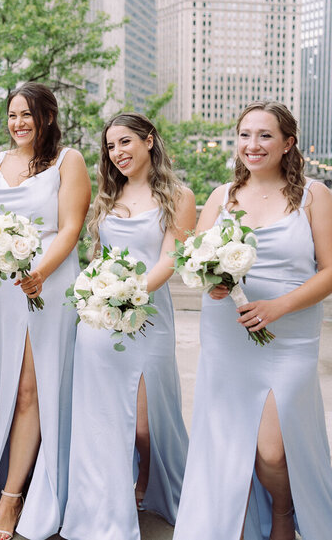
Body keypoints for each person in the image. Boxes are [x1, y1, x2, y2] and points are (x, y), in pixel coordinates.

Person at [173, 101, 332, 540]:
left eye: (265, 135)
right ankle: (234, 521)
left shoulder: (314, 195)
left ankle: (284, 512)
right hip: (229, 334)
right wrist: (214, 284)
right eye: (245, 134)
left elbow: (330, 271)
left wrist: (278, 306)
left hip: (291, 336)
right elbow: (193, 261)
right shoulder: (222, 196)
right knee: (229, 442)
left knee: (273, 451)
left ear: (287, 144)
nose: (253, 144)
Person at [60, 113, 193, 539]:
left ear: (149, 141)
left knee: (144, 422)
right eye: (111, 147)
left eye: (125, 142)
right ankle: (109, 498)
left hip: (148, 317)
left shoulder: (179, 196)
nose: (118, 153)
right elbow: (98, 257)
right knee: (103, 416)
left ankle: (153, 480)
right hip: (101, 321)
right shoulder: (106, 197)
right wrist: (99, 298)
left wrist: (129, 293)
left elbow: (169, 261)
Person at [0, 82, 91, 540]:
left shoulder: (68, 161)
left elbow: (71, 226)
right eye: (12, 114)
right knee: (4, 387)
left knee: (29, 390)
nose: (19, 123)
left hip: (48, 285)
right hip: (0, 289)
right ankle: (3, 475)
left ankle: (15, 498)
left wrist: (39, 273)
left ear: (48, 118)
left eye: (28, 114)